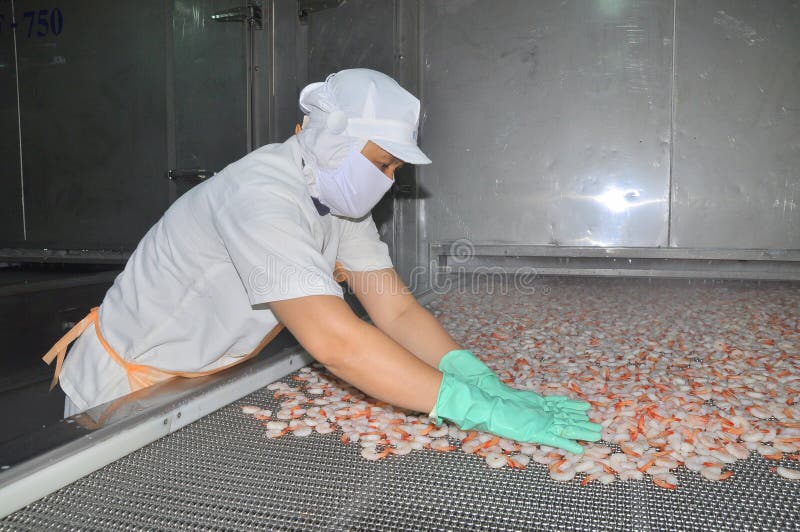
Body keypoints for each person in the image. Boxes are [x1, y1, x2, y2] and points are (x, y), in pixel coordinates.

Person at [43, 69, 601, 453]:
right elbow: (336, 342)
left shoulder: (339, 203)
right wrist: (466, 407)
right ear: (332, 142)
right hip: (125, 389)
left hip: (192, 378)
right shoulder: (261, 196)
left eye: (392, 171)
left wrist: (477, 378)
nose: (385, 182)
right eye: (380, 163)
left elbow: (395, 311)